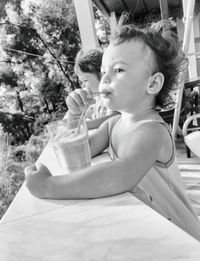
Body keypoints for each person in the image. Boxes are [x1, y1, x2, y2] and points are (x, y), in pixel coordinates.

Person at [25, 15, 200, 241]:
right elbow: (79, 148)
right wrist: (74, 114)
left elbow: (120, 175)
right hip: (153, 230)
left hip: (182, 236)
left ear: (153, 84)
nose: (105, 77)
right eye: (104, 70)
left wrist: (49, 186)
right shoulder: (114, 123)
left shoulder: (151, 131)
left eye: (118, 70)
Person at [66, 48, 119, 129]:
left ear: (101, 75)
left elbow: (114, 116)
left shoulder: (110, 97)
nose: (83, 85)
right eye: (81, 82)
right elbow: (71, 123)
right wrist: (75, 111)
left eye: (85, 80)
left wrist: (84, 125)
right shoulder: (94, 102)